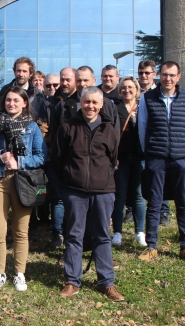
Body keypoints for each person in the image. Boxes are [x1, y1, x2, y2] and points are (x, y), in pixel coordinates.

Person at [52, 86, 124, 302]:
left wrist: (102, 179)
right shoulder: (67, 128)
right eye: (86, 102)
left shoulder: (109, 129)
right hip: (75, 191)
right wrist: (69, 178)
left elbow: (113, 159)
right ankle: (72, 281)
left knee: (102, 235)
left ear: (101, 105)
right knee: (74, 236)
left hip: (103, 191)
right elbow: (57, 159)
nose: (90, 106)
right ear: (80, 103)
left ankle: (106, 283)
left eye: (94, 102)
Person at [0, 86, 47, 291]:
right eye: (8, 100)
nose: (11, 104)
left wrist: (20, 162)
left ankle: (19, 273)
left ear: (25, 103)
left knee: (20, 230)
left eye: (16, 100)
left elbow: (42, 156)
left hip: (23, 181)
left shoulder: (33, 128)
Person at [137, 61, 185, 265]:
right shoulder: (148, 98)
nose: (168, 78)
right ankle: (152, 246)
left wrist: (184, 149)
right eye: (165, 74)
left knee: (183, 203)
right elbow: (142, 127)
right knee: (154, 203)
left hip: (180, 160)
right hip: (156, 158)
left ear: (178, 77)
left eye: (172, 75)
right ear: (159, 75)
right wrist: (150, 152)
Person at [110, 76, 146, 247]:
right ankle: (117, 231)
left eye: (131, 87)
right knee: (120, 196)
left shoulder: (142, 107)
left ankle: (140, 231)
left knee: (138, 195)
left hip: (139, 157)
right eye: (124, 87)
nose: (127, 90)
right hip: (121, 158)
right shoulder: (114, 107)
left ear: (136, 90)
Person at [46, 67, 77, 250]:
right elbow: (54, 132)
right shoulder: (56, 104)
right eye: (62, 80)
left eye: (68, 80)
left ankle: (72, 233)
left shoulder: (82, 102)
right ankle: (57, 233)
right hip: (58, 158)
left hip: (77, 160)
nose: (64, 83)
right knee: (57, 198)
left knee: (74, 199)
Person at [137, 60, 171, 226]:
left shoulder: (160, 93)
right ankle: (136, 210)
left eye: (147, 73)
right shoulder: (134, 91)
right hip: (141, 143)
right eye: (141, 73)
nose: (144, 76)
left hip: (158, 144)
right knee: (142, 180)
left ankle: (163, 211)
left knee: (161, 180)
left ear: (154, 74)